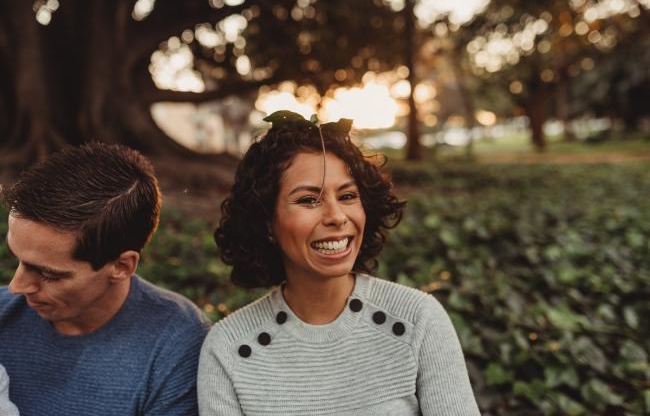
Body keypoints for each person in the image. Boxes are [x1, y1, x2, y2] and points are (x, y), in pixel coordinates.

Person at [198, 111, 481, 415]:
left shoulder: (418, 321)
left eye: (347, 196)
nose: (336, 216)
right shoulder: (229, 349)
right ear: (267, 222)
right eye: (308, 200)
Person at [0, 142, 211, 415]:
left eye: (49, 274)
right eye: (18, 259)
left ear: (122, 266)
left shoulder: (175, 346)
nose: (17, 286)